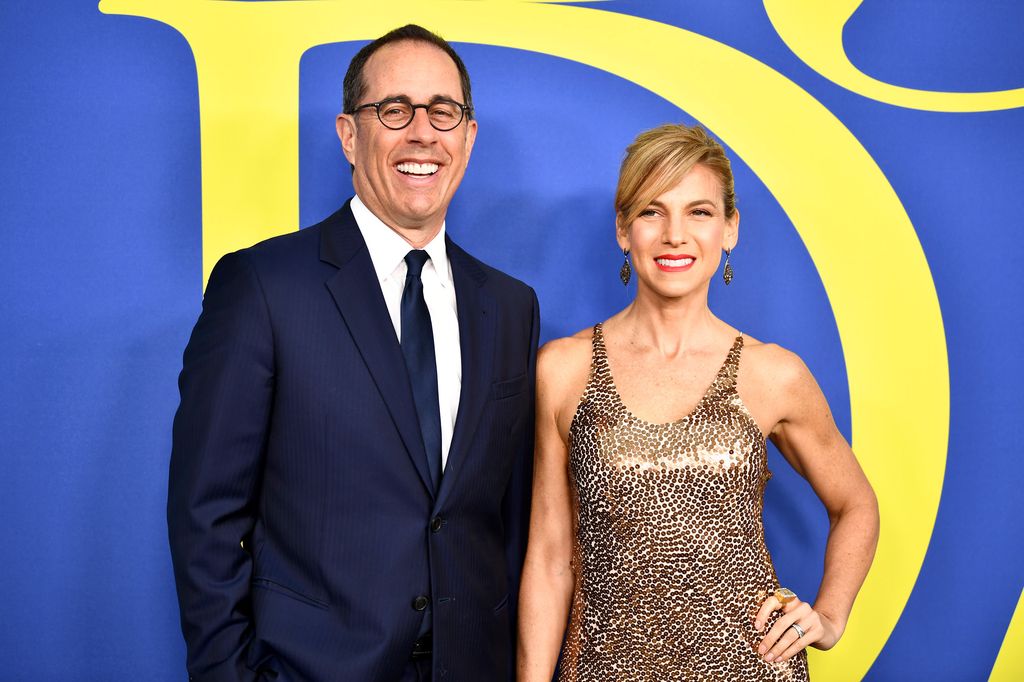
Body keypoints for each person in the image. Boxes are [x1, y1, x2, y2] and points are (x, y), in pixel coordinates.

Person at [168, 24, 539, 682]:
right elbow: (207, 514)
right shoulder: (263, 287)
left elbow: (502, 518)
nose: (422, 132)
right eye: (393, 110)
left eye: (443, 112)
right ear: (348, 134)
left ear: (468, 137)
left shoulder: (510, 308)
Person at [517, 124, 879, 680]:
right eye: (651, 211)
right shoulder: (563, 369)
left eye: (700, 212)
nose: (675, 235)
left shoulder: (774, 374)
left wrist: (829, 616)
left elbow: (856, 504)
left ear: (730, 229)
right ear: (622, 229)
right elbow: (548, 558)